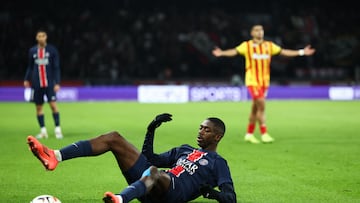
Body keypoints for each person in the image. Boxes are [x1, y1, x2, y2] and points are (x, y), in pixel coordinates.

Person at [27, 113, 237, 203]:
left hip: (173, 194)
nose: (200, 132)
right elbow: (150, 158)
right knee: (113, 138)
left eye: (206, 130)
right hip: (151, 184)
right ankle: (55, 155)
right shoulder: (185, 149)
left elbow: (231, 198)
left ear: (217, 136)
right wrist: (151, 129)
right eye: (200, 128)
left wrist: (212, 194)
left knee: (154, 173)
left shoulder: (218, 163)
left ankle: (120, 199)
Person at [212, 24, 316, 144]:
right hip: (252, 81)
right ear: (252, 33)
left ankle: (249, 134)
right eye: (256, 30)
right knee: (261, 105)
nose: (259, 32)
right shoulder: (247, 46)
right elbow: (234, 51)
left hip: (264, 82)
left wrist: (302, 52)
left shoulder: (269, 46)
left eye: (261, 30)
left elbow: (284, 51)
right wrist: (222, 53)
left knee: (255, 109)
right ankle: (264, 133)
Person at [24, 30, 63, 139]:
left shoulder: (52, 50)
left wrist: (57, 82)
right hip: (36, 84)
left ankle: (58, 129)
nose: (41, 38)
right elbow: (30, 67)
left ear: (46, 37)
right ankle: (43, 131)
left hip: (49, 83)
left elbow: (56, 67)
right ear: (36, 38)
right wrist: (27, 79)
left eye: (43, 36)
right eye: (39, 36)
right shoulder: (32, 51)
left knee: (53, 105)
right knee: (38, 108)